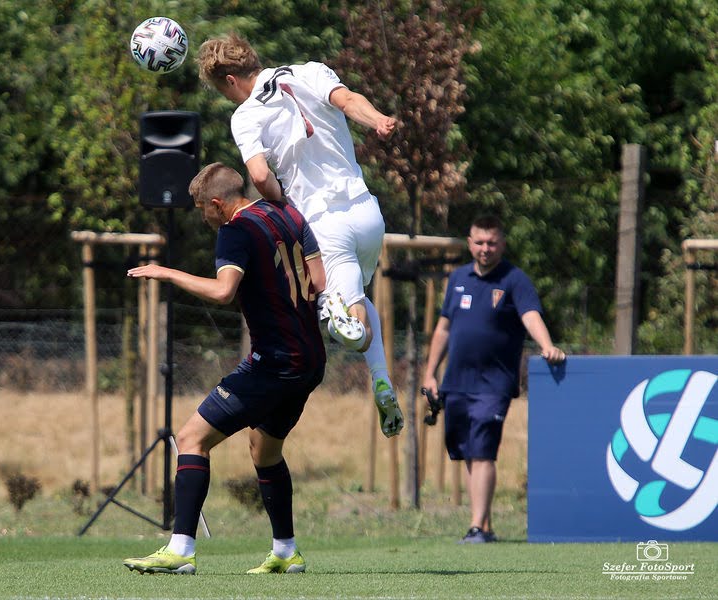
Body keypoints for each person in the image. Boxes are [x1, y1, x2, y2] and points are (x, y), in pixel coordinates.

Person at [196, 34, 404, 439]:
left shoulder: (245, 115)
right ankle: (380, 376)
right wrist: (378, 119)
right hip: (366, 211)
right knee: (357, 293)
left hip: (323, 225)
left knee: (340, 313)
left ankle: (348, 327)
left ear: (231, 80)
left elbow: (257, 175)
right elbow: (348, 100)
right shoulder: (309, 71)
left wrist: (281, 203)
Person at [123, 163, 326, 574]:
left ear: (218, 204)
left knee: (191, 438)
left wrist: (165, 272)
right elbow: (320, 281)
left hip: (275, 363)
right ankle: (286, 553)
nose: (204, 218)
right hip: (310, 359)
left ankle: (180, 549)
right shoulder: (284, 213)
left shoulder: (236, 229)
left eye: (202, 209)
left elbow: (223, 290)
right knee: (264, 450)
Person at [422, 214, 566, 543]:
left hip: (494, 383)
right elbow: (444, 328)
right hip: (456, 382)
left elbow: (530, 315)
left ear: (502, 243)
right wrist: (430, 374)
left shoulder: (515, 279)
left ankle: (476, 528)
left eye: (492, 242)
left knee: (484, 449)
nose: (485, 248)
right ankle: (484, 526)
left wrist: (547, 345)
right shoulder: (457, 278)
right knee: (471, 453)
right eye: (479, 242)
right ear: (469, 242)